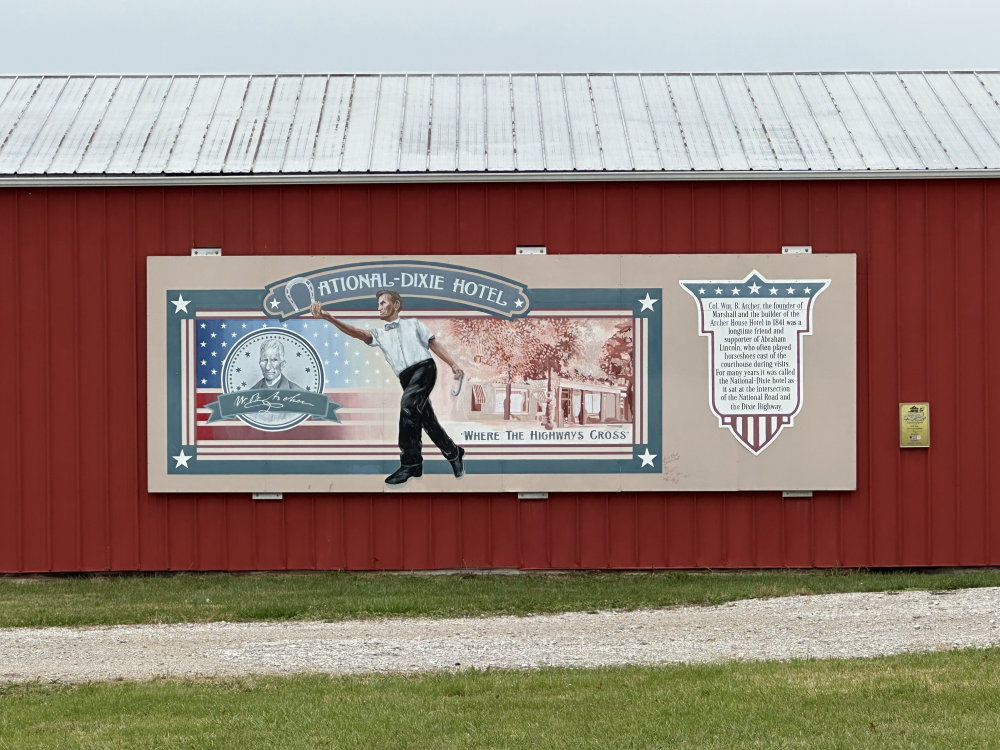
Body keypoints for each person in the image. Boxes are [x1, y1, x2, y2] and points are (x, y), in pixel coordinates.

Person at [310, 290, 465, 485]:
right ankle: (453, 452)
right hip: (406, 378)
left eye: (383, 303)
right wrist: (328, 317)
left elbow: (433, 344)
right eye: (378, 304)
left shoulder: (413, 324)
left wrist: (453, 364)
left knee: (408, 405)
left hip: (425, 369)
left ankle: (411, 464)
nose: (379, 307)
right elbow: (356, 332)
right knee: (426, 419)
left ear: (396, 305)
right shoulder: (379, 334)